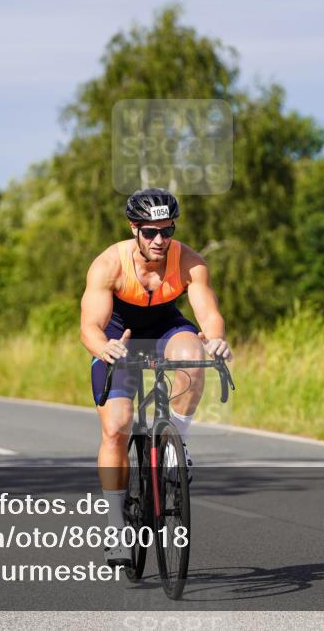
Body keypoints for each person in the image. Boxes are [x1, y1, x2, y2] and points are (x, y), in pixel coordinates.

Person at [80, 188, 232, 567]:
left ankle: (175, 446)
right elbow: (89, 326)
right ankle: (116, 525)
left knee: (194, 355)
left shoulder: (190, 262)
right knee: (116, 427)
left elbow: (208, 313)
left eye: (166, 230)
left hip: (165, 327)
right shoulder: (108, 265)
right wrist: (104, 348)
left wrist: (216, 340)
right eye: (150, 232)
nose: (160, 240)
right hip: (119, 337)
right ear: (134, 229)